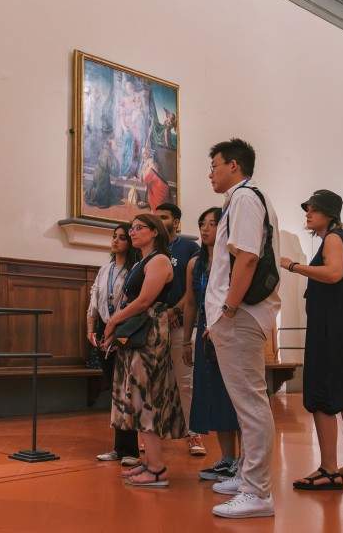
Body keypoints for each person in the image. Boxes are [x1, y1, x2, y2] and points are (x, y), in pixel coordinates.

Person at [205, 139, 279, 519]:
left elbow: (247, 258)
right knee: (245, 402)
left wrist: (228, 310)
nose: (210, 172)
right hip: (235, 316)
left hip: (241, 315)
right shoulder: (239, 200)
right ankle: (247, 475)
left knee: (250, 403)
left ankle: (257, 491)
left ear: (234, 166)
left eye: (214, 165)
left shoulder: (246, 198)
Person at [280, 190, 343, 491]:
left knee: (322, 395)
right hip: (342, 330)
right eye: (307, 208)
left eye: (314, 209)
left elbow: (333, 273)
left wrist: (293, 266)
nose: (308, 213)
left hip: (331, 332)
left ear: (330, 214)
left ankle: (329, 469)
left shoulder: (333, 239)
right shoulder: (337, 239)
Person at [103, 214, 186, 487]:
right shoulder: (141, 262)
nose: (133, 232)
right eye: (131, 228)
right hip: (138, 332)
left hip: (150, 333)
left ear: (154, 232)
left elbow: (146, 300)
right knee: (136, 395)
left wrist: (115, 320)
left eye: (139, 228)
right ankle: (149, 461)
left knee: (145, 394)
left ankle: (158, 469)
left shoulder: (160, 260)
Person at [182, 207, 241, 481]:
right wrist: (186, 340)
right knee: (214, 394)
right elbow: (191, 302)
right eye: (202, 223)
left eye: (213, 224)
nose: (206, 229)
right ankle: (227, 458)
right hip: (205, 332)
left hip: (229, 330)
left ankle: (243, 460)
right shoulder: (195, 263)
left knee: (233, 396)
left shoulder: (231, 259)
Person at [86, 223, 140, 466]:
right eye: (114, 237)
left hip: (124, 332)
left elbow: (134, 304)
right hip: (103, 330)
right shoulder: (105, 269)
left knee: (127, 390)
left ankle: (132, 450)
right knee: (115, 391)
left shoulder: (134, 270)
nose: (116, 241)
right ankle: (119, 447)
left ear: (130, 242)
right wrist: (90, 329)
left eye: (122, 237)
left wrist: (119, 332)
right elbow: (95, 299)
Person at [153, 202, 204, 456]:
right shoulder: (150, 249)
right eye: (155, 218)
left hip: (180, 323)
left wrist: (176, 311)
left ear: (176, 221)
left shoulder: (189, 248)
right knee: (154, 381)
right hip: (153, 324)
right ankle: (152, 434)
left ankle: (194, 434)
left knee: (186, 382)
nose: (159, 221)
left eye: (164, 217)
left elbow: (193, 289)